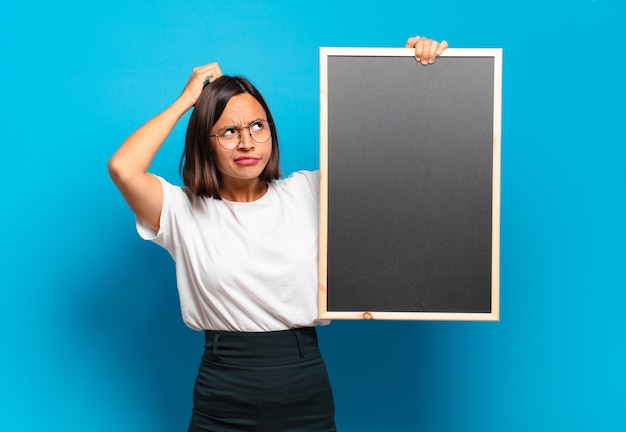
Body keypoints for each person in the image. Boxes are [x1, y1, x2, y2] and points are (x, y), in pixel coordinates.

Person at [108, 35, 448, 432]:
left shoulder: (309, 190)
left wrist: (417, 71)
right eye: (228, 132)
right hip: (222, 383)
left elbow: (398, 156)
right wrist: (186, 101)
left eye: (257, 126)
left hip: (302, 379)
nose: (247, 142)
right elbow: (123, 168)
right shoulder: (182, 209)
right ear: (206, 141)